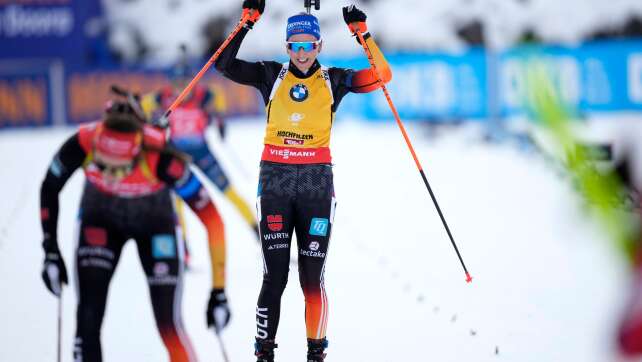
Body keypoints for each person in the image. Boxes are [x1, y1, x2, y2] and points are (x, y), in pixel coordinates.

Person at [214, 2, 392, 361]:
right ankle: (264, 353)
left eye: (309, 45)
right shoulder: (271, 75)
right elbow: (224, 65)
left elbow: (382, 76)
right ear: (286, 47)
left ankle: (316, 353)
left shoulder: (334, 79)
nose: (302, 53)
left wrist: (362, 34)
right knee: (274, 278)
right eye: (295, 45)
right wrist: (247, 23)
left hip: (316, 187)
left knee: (312, 280)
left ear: (319, 46)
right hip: (276, 184)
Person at [39, 98, 231, 362]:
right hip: (100, 222)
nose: (110, 176)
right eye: (102, 166)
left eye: (119, 169)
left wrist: (218, 291)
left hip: (155, 225)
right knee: (87, 320)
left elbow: (213, 220)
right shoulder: (84, 141)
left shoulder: (160, 155)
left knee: (169, 323)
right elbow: (50, 186)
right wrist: (50, 248)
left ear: (137, 153)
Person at [142, 60, 259, 240]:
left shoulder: (202, 95)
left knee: (228, 190)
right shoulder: (164, 97)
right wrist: (151, 124)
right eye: (176, 82)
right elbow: (144, 105)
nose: (181, 87)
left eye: (185, 81)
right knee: (177, 199)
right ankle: (183, 244)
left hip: (202, 152)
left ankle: (256, 230)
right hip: (176, 154)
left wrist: (219, 118)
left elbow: (218, 96)